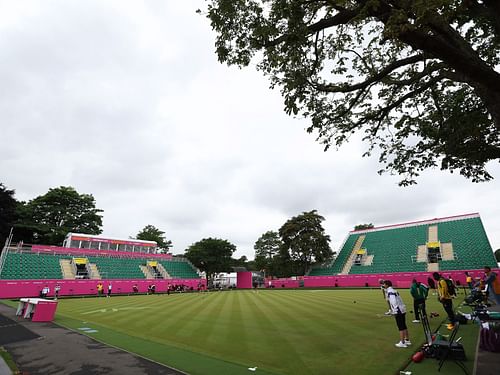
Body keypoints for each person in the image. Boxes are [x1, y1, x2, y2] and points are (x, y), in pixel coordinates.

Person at [383, 280, 411, 348]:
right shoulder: (394, 290)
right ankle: (407, 340)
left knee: (401, 327)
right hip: (402, 309)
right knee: (404, 325)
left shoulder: (390, 292)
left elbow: (394, 302)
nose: (383, 285)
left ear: (387, 285)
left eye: (384, 284)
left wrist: (394, 311)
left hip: (399, 310)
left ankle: (402, 342)